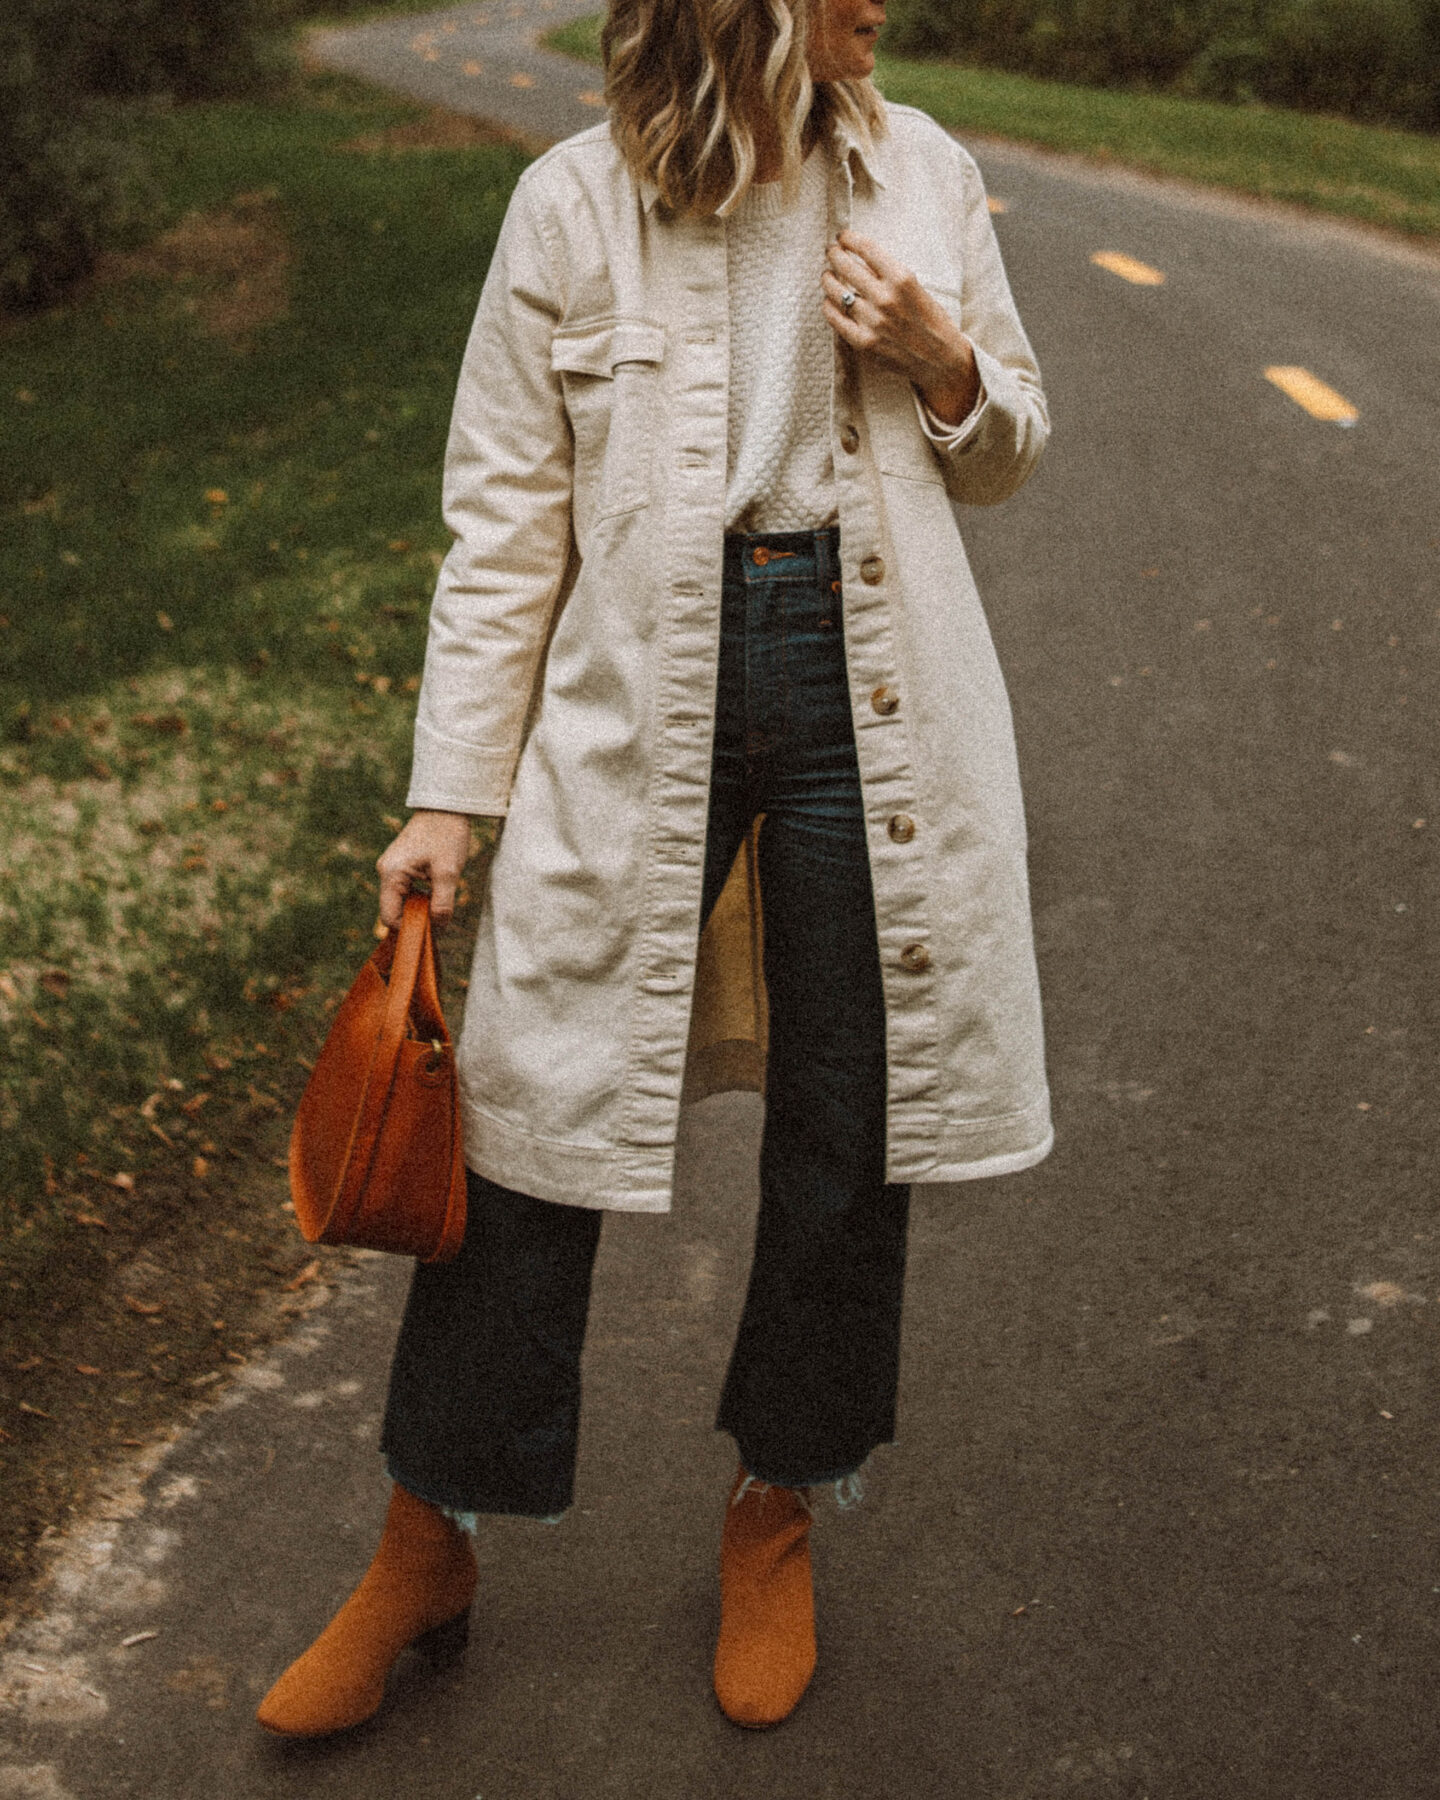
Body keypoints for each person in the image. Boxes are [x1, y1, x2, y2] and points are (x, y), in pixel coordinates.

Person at [257, 0, 1051, 1739]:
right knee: (533, 1106)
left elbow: (1005, 455)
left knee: (855, 1120)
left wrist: (944, 359)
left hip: (870, 686)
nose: (883, 9)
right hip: (642, 697)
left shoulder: (924, 169)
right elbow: (504, 513)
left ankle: (779, 1507)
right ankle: (427, 1541)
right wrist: (448, 797)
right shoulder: (568, 204)